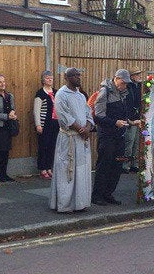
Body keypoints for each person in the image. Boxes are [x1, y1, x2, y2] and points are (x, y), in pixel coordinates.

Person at [91, 69, 141, 206]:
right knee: (104, 165)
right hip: (106, 136)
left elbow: (122, 116)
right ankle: (97, 196)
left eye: (126, 84)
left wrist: (130, 122)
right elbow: (99, 116)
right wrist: (115, 123)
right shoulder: (104, 92)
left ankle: (108, 194)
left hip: (119, 135)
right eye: (123, 83)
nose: (125, 86)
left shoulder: (123, 93)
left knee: (117, 165)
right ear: (116, 79)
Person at [49, 67, 94, 213]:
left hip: (81, 139)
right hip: (68, 138)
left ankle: (79, 203)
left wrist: (87, 127)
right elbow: (63, 116)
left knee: (81, 171)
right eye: (75, 76)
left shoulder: (81, 96)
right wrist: (80, 129)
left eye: (79, 75)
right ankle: (65, 204)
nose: (79, 78)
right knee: (66, 172)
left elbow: (89, 114)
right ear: (67, 78)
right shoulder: (61, 95)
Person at [0, 73, 17, 182]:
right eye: (0, 82)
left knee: (6, 151)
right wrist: (8, 116)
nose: (2, 84)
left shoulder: (10, 95)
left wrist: (13, 114)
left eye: (4, 81)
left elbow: (13, 108)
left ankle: (5, 174)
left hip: (8, 127)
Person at [33, 70, 59, 180]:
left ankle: (49, 168)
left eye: (51, 78)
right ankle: (42, 169)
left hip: (55, 123)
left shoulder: (56, 92)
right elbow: (36, 110)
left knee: (52, 146)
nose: (50, 80)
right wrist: (38, 124)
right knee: (43, 146)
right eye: (48, 78)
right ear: (43, 80)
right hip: (44, 124)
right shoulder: (40, 93)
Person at [124, 66, 142, 173]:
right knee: (129, 142)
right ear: (132, 77)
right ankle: (125, 165)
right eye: (137, 74)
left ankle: (134, 164)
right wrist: (129, 119)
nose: (140, 76)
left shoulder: (141, 86)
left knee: (137, 143)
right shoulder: (128, 87)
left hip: (138, 118)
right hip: (130, 118)